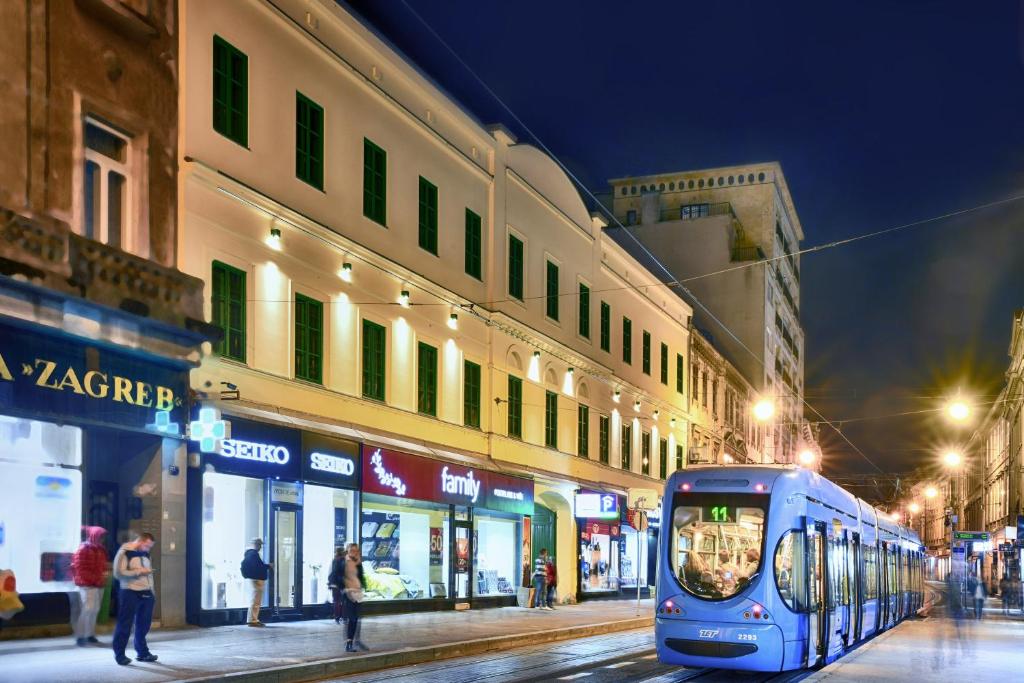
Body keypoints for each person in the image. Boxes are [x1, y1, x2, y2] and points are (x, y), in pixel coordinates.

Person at [111, 532, 157, 666]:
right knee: (125, 624)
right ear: (140, 541)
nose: (148, 549)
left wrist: (152, 592)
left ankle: (142, 653)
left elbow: (149, 576)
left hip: (147, 592)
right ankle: (120, 654)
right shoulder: (125, 552)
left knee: (144, 625)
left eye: (150, 547)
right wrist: (138, 572)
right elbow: (118, 573)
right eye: (147, 545)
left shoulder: (146, 553)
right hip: (129, 591)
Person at [70, 526, 109, 646]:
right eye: (100, 537)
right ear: (94, 536)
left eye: (103, 537)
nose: (102, 540)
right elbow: (80, 569)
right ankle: (81, 636)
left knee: (94, 610)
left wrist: (101, 577)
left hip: (97, 583)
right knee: (88, 610)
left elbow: (102, 566)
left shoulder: (100, 549)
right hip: (87, 584)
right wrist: (96, 579)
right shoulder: (83, 549)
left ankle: (90, 634)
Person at [341, 543, 367, 652]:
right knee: (351, 619)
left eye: (356, 551)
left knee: (356, 619)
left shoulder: (358, 563)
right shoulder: (343, 562)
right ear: (347, 550)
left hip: (357, 593)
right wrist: (344, 588)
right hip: (347, 593)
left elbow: (360, 577)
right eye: (352, 550)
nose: (354, 552)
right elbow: (335, 576)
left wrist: (363, 587)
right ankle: (349, 643)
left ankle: (356, 641)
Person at [240, 538, 272, 627]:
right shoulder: (253, 554)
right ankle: (252, 620)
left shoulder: (250, 554)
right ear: (255, 545)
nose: (260, 547)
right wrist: (268, 566)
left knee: (255, 600)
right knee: (256, 601)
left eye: (260, 545)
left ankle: (253, 620)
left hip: (254, 579)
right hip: (256, 580)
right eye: (259, 544)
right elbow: (258, 566)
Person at [328, 547, 346, 624]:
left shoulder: (334, 560)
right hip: (342, 583)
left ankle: (337, 617)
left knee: (336, 601)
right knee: (343, 601)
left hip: (335, 584)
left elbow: (331, 573)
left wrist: (330, 582)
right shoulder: (344, 561)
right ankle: (343, 617)